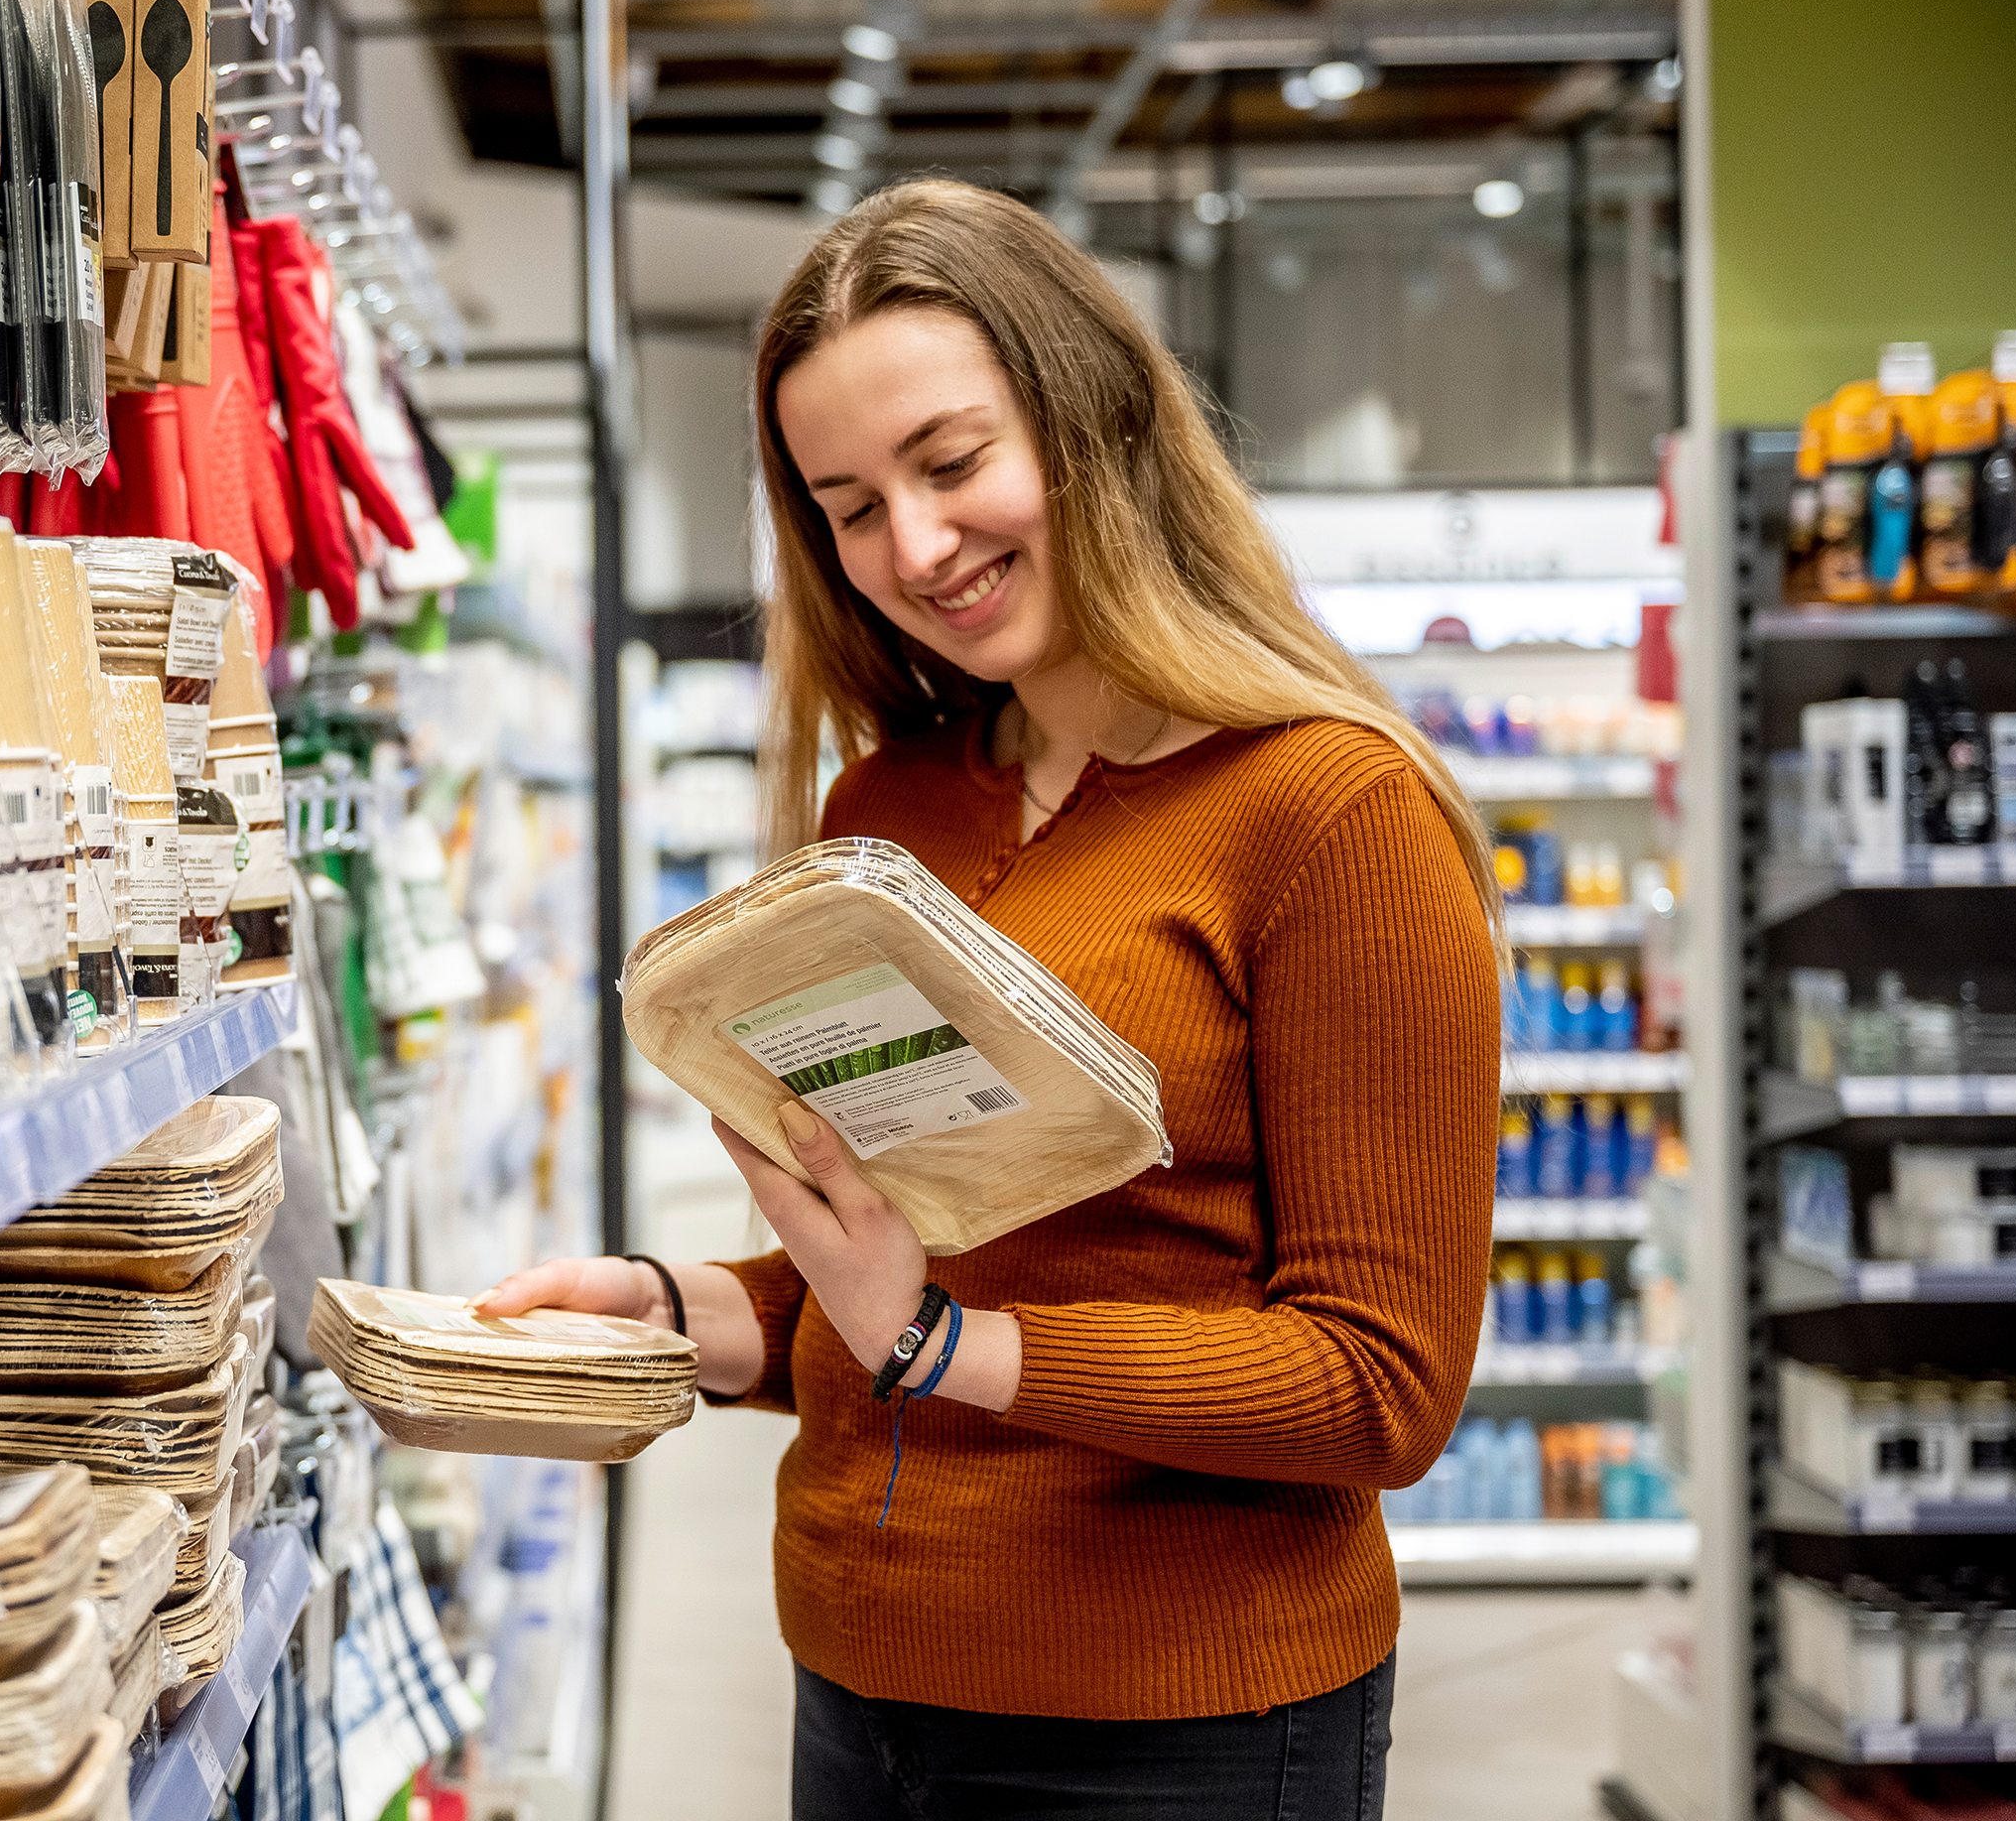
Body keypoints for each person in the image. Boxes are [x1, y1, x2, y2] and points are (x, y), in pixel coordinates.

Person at [476, 179, 1501, 1819]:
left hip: (1178, 1726)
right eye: (850, 507)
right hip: (857, 1687)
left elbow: (1376, 1384)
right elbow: (905, 1279)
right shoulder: (886, 813)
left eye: (951, 463)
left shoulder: (1331, 815)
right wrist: (676, 1313)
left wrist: (941, 1344)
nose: (914, 547)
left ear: (1095, 419)